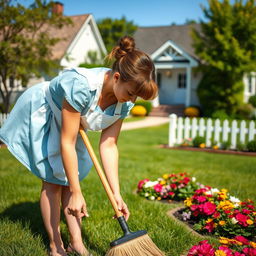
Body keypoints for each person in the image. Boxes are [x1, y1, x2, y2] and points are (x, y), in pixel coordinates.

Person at [0, 36, 158, 256]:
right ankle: (56, 245)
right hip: (48, 113)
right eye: (131, 93)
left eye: (137, 97)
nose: (132, 100)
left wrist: (116, 193)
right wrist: (76, 191)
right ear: (116, 77)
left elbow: (109, 145)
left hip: (73, 126)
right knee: (54, 181)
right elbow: (67, 141)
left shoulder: (125, 102)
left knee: (69, 180)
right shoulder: (82, 86)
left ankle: (77, 243)